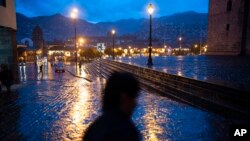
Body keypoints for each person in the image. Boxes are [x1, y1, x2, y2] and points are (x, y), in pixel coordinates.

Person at [83, 72, 141, 141]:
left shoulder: (94, 128)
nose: (135, 103)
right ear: (124, 97)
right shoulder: (126, 132)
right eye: (133, 97)